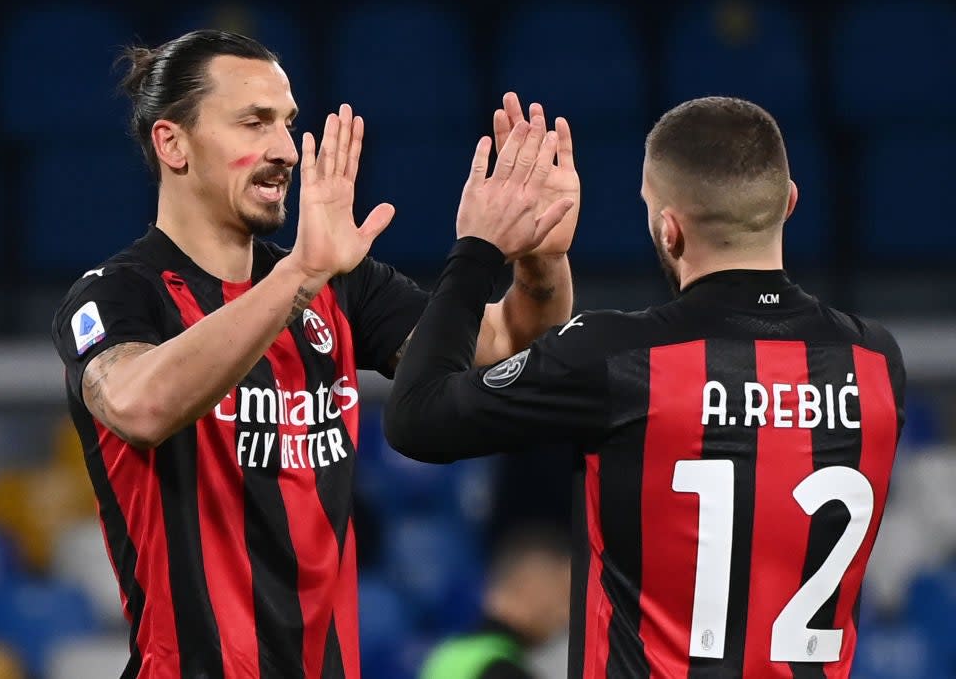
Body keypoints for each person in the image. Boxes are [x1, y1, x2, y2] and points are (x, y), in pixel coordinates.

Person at [50, 30, 580, 679]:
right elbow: (140, 403)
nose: (282, 149)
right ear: (173, 143)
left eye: (287, 123)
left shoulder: (340, 282)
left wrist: (540, 260)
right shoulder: (118, 295)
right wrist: (299, 273)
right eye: (253, 123)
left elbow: (508, 347)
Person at [384, 96, 906, 678]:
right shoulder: (875, 361)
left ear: (668, 228)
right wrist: (540, 269)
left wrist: (480, 248)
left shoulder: (620, 358)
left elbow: (417, 417)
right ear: (789, 203)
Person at [419, 526, 572, 679]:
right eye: (562, 596)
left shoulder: (446, 654)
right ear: (526, 587)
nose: (565, 616)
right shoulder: (503, 670)